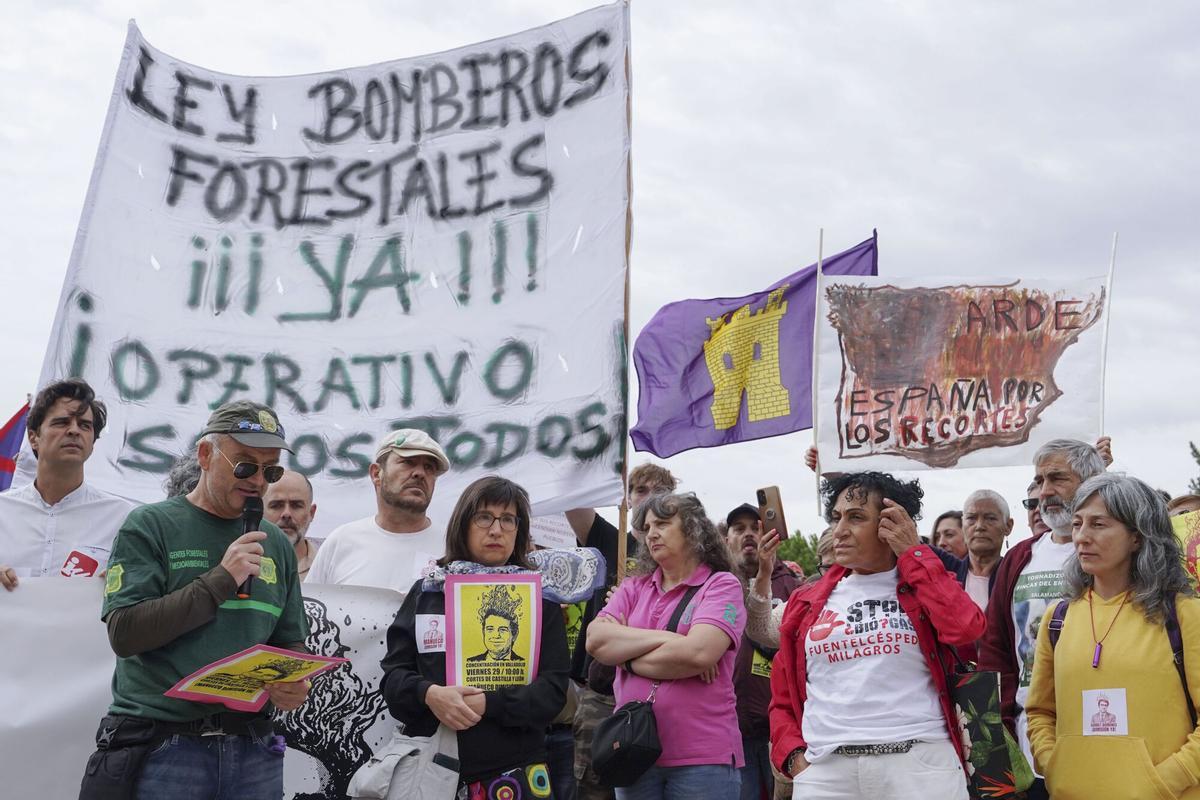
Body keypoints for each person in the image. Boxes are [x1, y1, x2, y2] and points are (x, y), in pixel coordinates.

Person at [84, 400, 310, 799]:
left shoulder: (274, 541)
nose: (258, 479)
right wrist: (222, 579)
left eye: (270, 469)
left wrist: (292, 682)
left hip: (253, 748)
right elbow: (125, 633)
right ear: (206, 455)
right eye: (244, 465)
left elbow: (289, 640)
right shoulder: (150, 525)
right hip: (166, 746)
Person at [769, 471, 984, 800]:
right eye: (837, 517)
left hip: (918, 767)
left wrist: (913, 552)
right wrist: (796, 760)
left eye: (856, 518)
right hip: (826, 773)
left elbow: (966, 628)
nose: (839, 531)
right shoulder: (805, 601)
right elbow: (782, 699)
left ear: (891, 523)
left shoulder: (923, 585)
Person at [380, 476, 569, 795]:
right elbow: (393, 679)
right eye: (484, 517)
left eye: (508, 519)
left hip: (516, 775)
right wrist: (430, 694)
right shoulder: (429, 592)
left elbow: (552, 692)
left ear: (518, 530)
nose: (496, 530)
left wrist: (490, 704)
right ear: (462, 525)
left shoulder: (540, 600)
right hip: (434, 772)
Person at [1025, 473, 1200, 799]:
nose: (1081, 537)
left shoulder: (1184, 614)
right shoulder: (1057, 619)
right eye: (1077, 524)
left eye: (1098, 524)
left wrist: (1163, 782)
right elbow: (1040, 712)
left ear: (1137, 536)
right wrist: (1054, 766)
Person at [587, 492, 746, 799]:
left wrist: (626, 656)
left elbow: (698, 653)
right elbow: (596, 641)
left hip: (702, 758)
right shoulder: (634, 586)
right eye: (647, 527)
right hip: (633, 754)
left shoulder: (721, 584)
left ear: (693, 528)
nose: (652, 534)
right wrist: (672, 641)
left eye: (662, 523)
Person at [978, 438, 1106, 800]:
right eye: (1039, 480)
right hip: (1029, 749)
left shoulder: (1118, 552)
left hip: (1103, 738)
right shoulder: (1020, 557)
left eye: (1056, 479)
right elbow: (996, 650)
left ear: (1091, 481)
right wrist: (999, 736)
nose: (1044, 491)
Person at [565, 462, 678, 800]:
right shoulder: (609, 539)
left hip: (660, 695)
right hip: (602, 695)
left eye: (659, 492)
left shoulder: (682, 559)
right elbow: (572, 495)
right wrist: (598, 460)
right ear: (625, 500)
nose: (649, 499)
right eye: (641, 491)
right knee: (594, 788)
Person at [1, 378, 134, 590]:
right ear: (33, 437)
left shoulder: (122, 519)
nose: (74, 431)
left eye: (85, 425)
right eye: (62, 422)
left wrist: (127, 582)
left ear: (93, 442)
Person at [306, 429, 449, 590]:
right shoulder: (341, 541)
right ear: (376, 474)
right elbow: (310, 611)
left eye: (429, 467)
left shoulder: (452, 546)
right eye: (408, 462)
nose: (420, 473)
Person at [725, 503, 801, 800]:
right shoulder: (714, 584)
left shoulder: (794, 587)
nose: (748, 535)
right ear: (726, 538)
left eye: (755, 528)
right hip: (731, 729)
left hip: (780, 731)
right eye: (738, 529)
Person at [937, 490, 1012, 611]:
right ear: (963, 525)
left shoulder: (1016, 576)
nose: (979, 526)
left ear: (1008, 526)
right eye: (971, 518)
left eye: (990, 518)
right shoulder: (945, 573)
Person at [264, 470, 319, 580]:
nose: (286, 514)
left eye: (296, 505)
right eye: (276, 505)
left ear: (311, 513)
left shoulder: (326, 566)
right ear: (261, 511)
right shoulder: (243, 564)